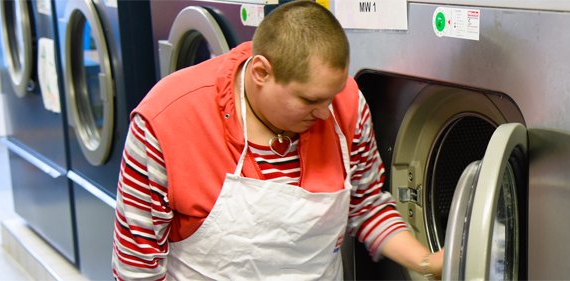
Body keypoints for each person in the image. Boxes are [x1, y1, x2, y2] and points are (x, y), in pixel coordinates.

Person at [111, 1, 442, 279]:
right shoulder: (167, 120)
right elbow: (136, 265)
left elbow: (366, 205)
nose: (326, 113)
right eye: (309, 101)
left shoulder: (346, 105)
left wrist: (427, 262)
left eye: (331, 97)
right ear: (261, 73)